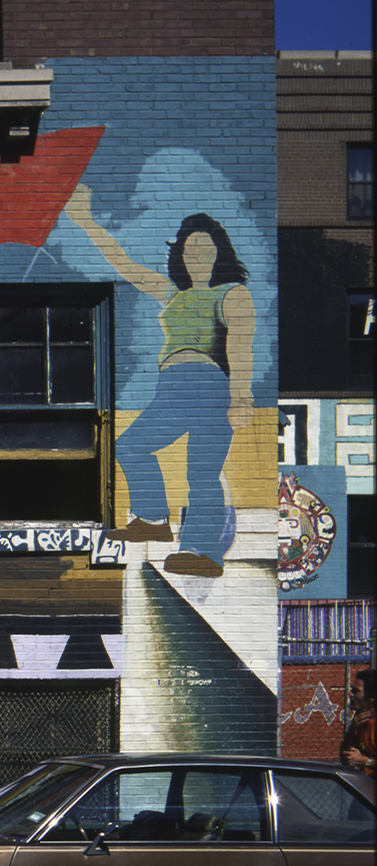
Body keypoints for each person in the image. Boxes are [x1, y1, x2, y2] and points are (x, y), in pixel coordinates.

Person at [67, 188, 255, 578]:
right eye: (190, 248)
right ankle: (153, 518)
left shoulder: (232, 294)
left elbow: (240, 347)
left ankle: (203, 553)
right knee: (131, 446)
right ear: (181, 255)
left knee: (201, 473)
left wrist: (241, 397)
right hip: (170, 386)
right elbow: (125, 266)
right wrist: (85, 220)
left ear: (219, 253)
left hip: (209, 386)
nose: (197, 255)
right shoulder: (173, 294)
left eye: (205, 248)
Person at [339, 668, 374, 773]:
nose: (350, 694)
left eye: (356, 691)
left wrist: (364, 762)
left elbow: (361, 761)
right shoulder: (360, 721)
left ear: (371, 697)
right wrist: (351, 731)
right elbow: (345, 759)